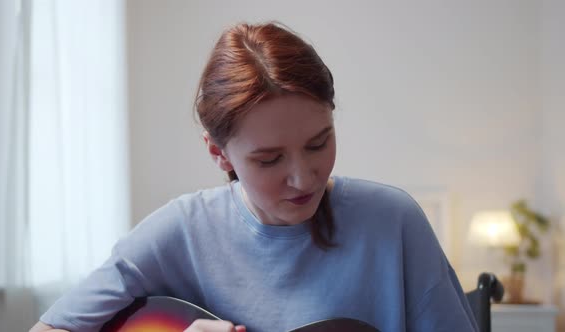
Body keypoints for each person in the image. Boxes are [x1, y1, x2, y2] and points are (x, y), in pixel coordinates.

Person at [30, 22, 477, 332]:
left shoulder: (393, 221)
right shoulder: (180, 230)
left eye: (319, 143)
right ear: (218, 153)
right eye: (269, 160)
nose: (304, 179)